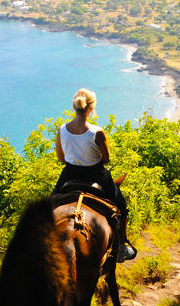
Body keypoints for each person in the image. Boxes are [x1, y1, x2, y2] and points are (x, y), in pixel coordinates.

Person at [53, 88, 137, 262]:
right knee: (121, 206)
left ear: (74, 107)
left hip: (69, 173)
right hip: (96, 174)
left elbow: (61, 158)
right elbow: (106, 159)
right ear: (91, 108)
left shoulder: (62, 129)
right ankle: (121, 248)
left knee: (50, 205)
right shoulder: (97, 132)